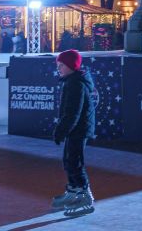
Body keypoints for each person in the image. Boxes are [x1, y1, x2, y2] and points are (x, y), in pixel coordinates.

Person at [51, 49, 96, 216]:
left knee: (75, 162)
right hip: (75, 129)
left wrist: (61, 131)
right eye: (58, 65)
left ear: (71, 66)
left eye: (61, 65)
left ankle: (85, 194)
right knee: (68, 160)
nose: (59, 68)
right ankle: (73, 191)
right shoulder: (71, 81)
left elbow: (72, 113)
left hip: (79, 129)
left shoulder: (76, 84)